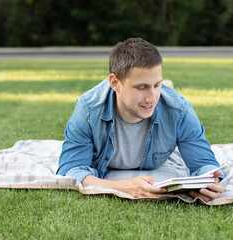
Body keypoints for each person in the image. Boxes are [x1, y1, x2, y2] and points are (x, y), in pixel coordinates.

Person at [56, 37, 224, 201]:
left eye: (157, 85)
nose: (152, 98)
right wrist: (122, 187)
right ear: (115, 83)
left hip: (170, 111)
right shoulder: (87, 109)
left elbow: (204, 164)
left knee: (166, 102)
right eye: (141, 87)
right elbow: (70, 170)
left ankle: (166, 86)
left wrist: (207, 183)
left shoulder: (179, 109)